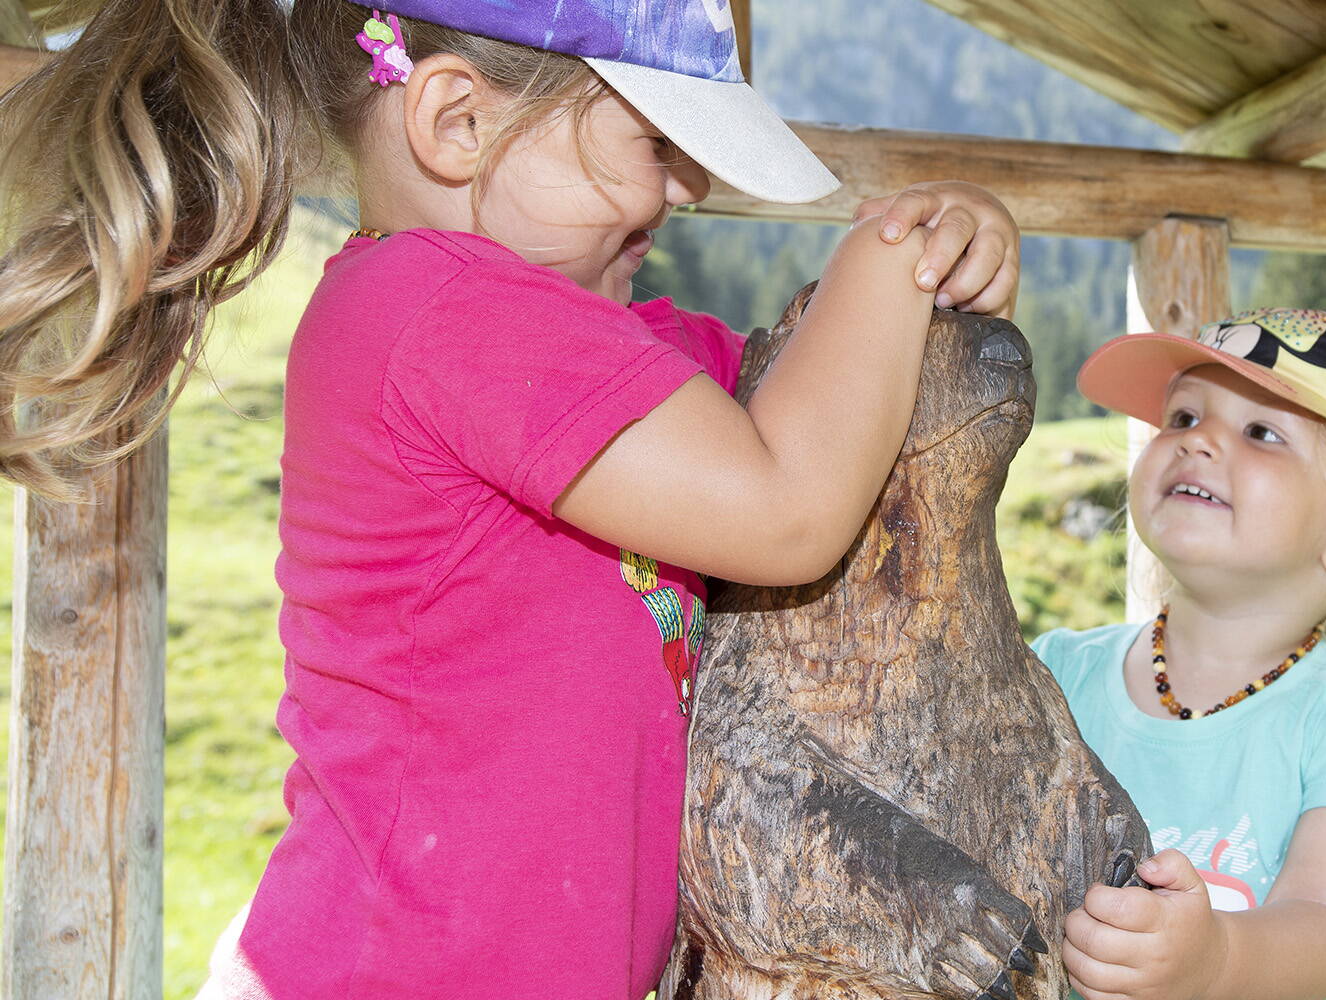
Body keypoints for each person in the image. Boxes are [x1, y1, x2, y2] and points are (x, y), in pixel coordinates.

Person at [0, 2, 1020, 997]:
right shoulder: (433, 311)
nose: (689, 187)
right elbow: (787, 503)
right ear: (458, 122)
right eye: (655, 141)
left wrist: (930, 266)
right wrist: (896, 255)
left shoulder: (569, 334)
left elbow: (799, 392)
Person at [1032, 308, 1326, 1000]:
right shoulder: (1051, 672)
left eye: (1262, 431)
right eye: (1181, 417)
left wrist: (1213, 963)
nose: (1196, 442)